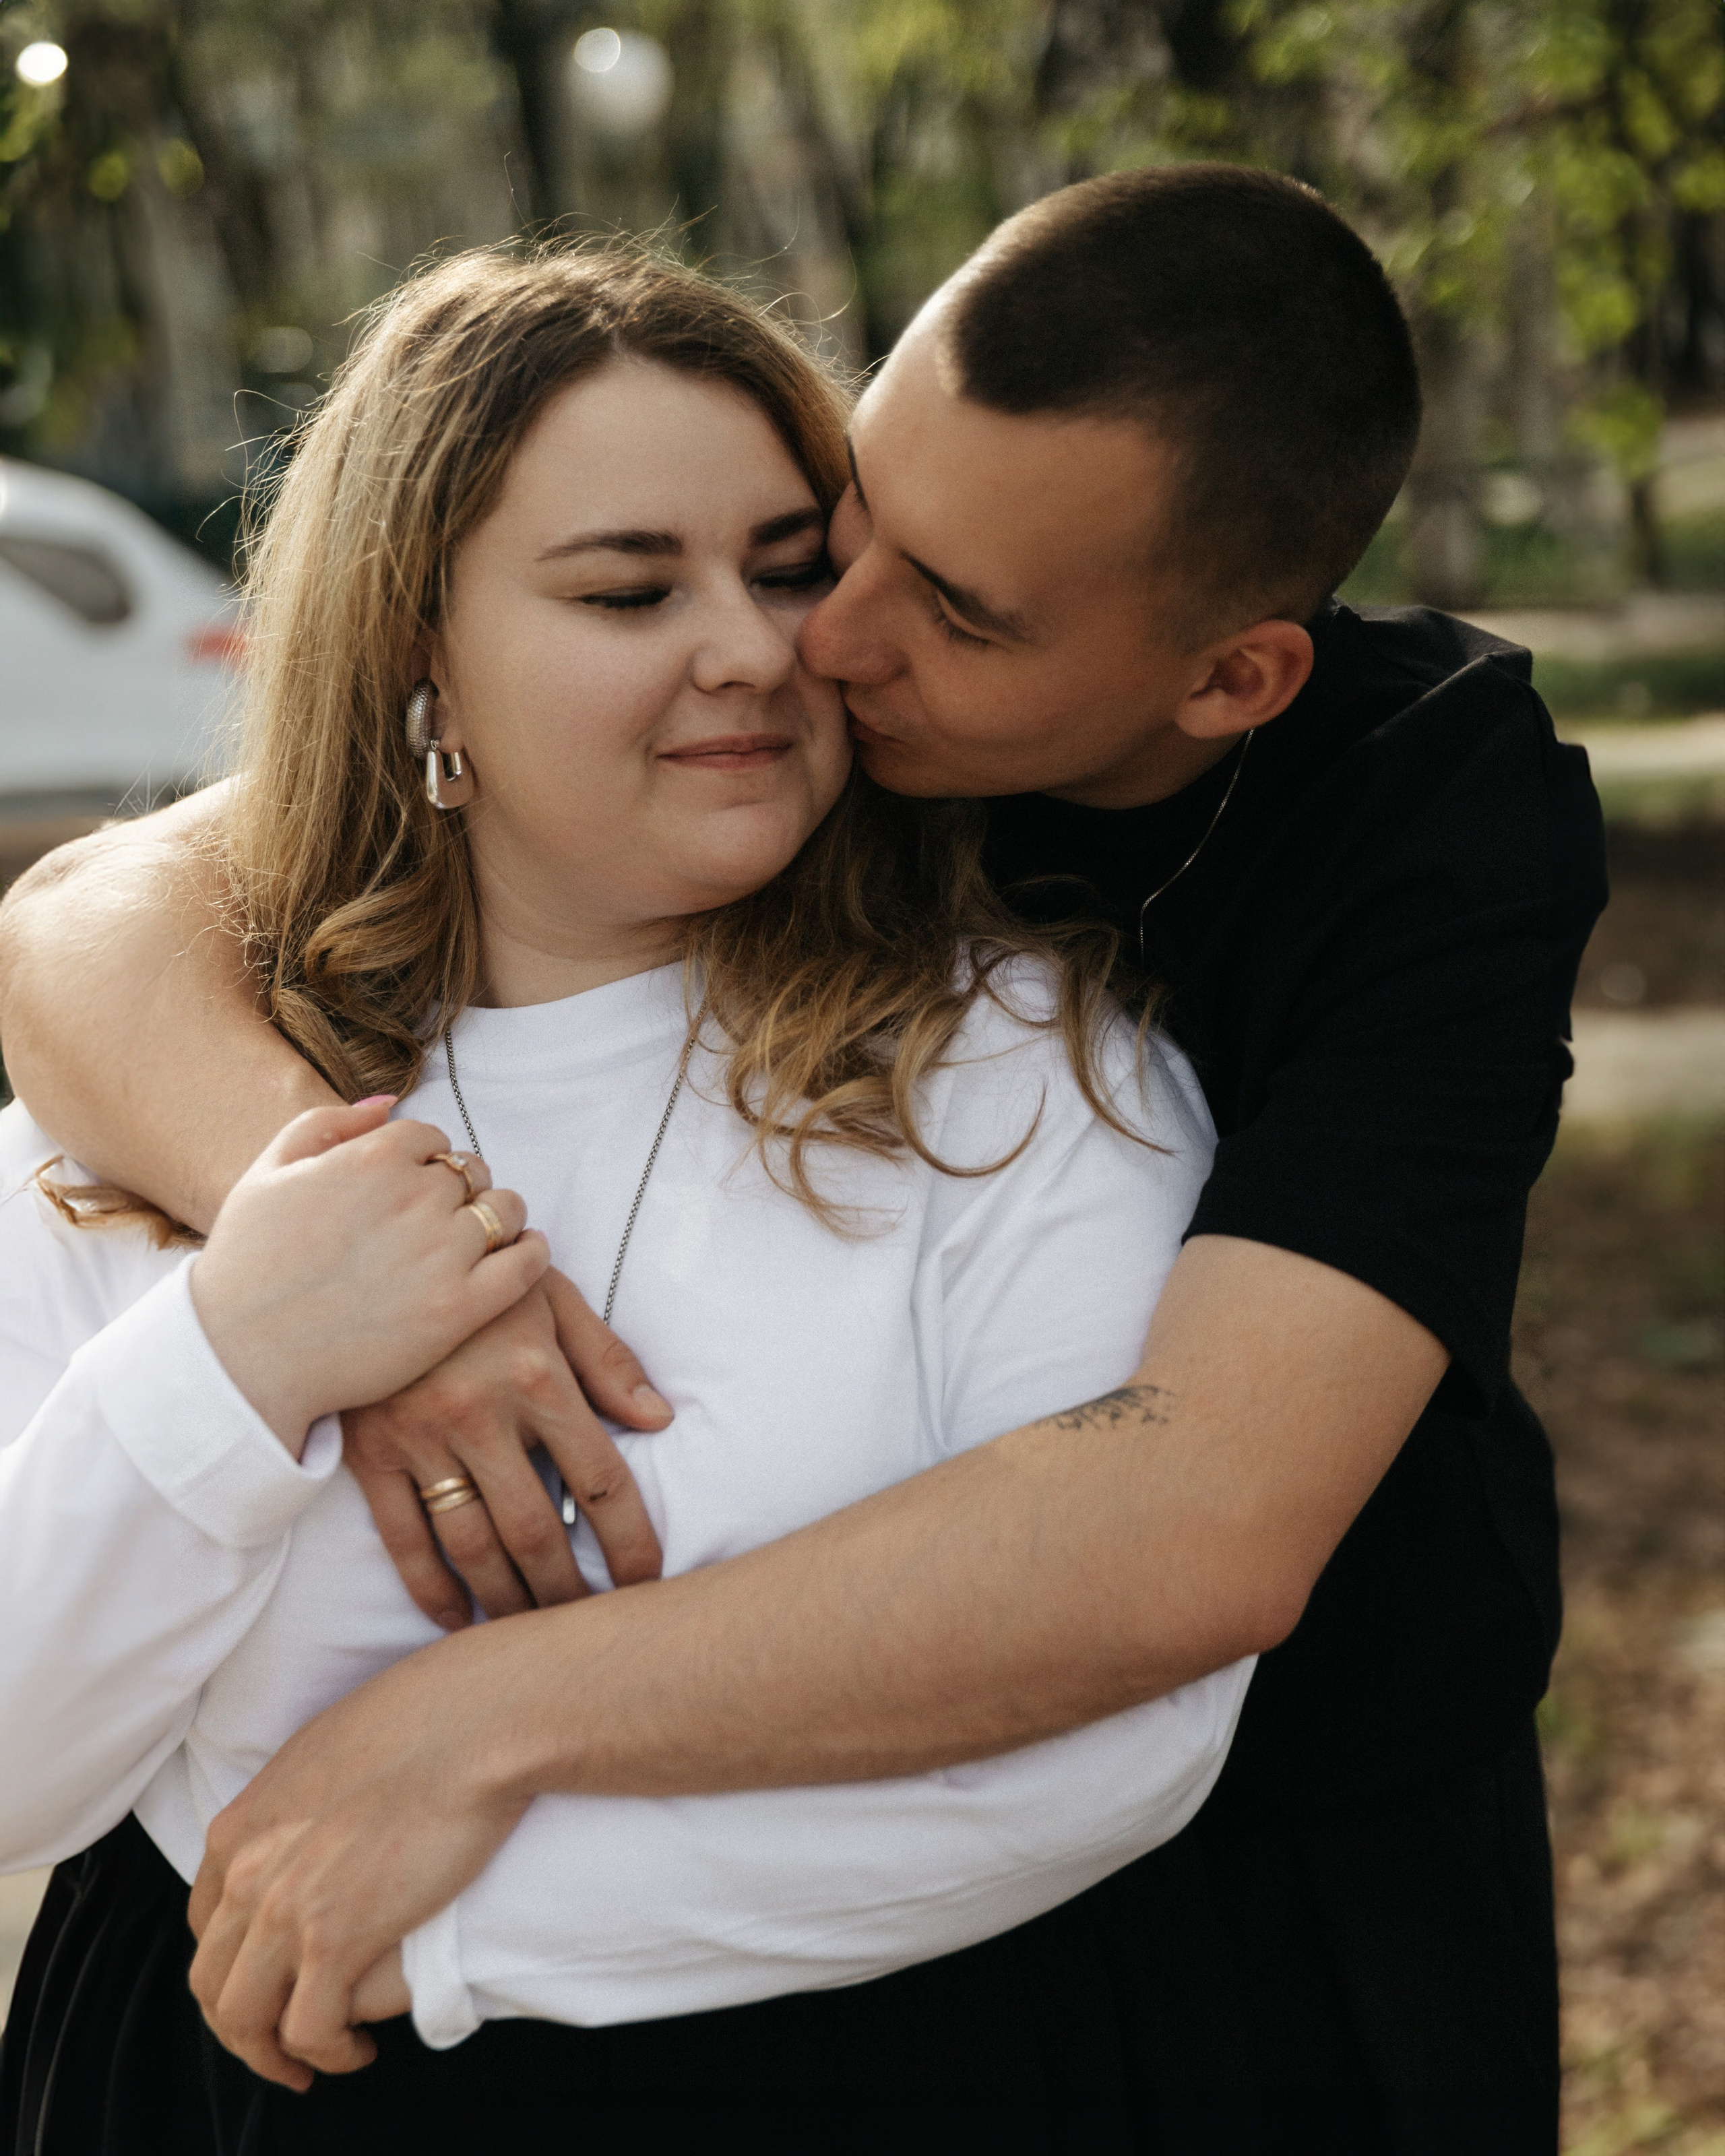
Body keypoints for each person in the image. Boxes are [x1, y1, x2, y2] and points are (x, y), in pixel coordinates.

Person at [0, 164, 1607, 2153]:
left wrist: (446, 1812)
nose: (808, 642)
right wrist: (300, 1273)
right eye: (858, 524)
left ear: (1224, 681)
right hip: (227, 2069)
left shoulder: (1267, 913)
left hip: (1210, 1914)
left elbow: (1182, 1544)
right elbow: (101, 907)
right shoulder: (203, 1047)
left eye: (913, 599)